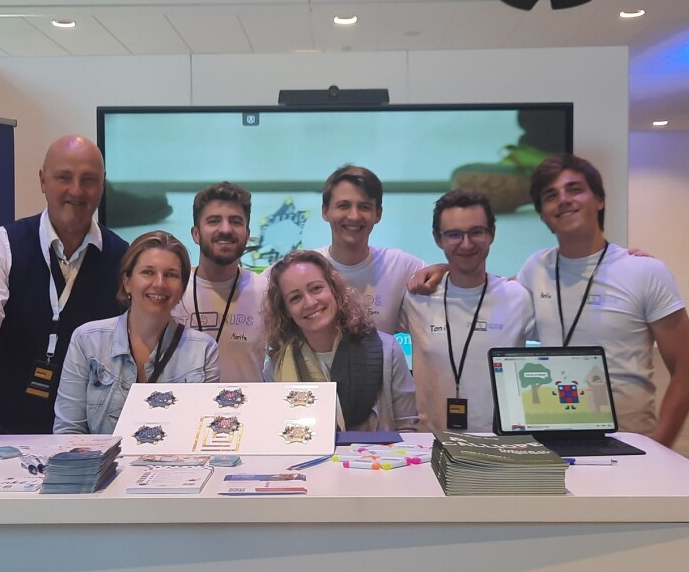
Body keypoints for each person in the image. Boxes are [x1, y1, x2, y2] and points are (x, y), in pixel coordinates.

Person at [0, 135, 129, 442]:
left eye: (89, 180)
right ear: (43, 180)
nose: (76, 190)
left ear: (102, 184)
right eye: (63, 177)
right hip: (0, 433)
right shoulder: (1, 244)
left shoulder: (124, 257)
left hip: (89, 438)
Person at [517, 154, 689, 445]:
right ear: (542, 214)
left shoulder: (645, 271)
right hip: (550, 437)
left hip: (627, 442)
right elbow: (487, 293)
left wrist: (659, 448)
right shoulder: (534, 269)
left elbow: (687, 372)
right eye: (551, 195)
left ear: (599, 200)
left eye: (574, 189)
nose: (563, 199)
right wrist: (443, 270)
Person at [54, 231, 220, 435]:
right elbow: (68, 431)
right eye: (148, 272)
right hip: (99, 466)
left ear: (182, 288)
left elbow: (205, 433)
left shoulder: (204, 350)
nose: (159, 283)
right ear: (127, 281)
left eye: (171, 275)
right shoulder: (87, 341)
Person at [399, 190, 534, 433]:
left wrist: (622, 259)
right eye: (454, 234)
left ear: (491, 233)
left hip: (501, 444)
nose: (466, 243)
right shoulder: (417, 298)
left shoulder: (518, 297)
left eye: (476, 232)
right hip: (430, 444)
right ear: (438, 239)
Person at [263, 250, 417, 431]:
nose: (311, 302)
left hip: (378, 459)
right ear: (286, 310)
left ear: (334, 289)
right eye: (295, 298)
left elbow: (407, 430)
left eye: (316, 288)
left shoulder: (388, 351)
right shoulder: (275, 366)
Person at [171, 182, 268, 382]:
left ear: (247, 234)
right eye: (214, 221)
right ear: (195, 234)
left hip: (250, 410)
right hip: (183, 410)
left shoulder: (266, 291)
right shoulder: (171, 291)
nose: (225, 229)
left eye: (235, 221)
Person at [316, 165, 425, 335]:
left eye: (364, 207)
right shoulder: (303, 268)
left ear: (378, 214)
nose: (354, 216)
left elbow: (453, 285)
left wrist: (441, 269)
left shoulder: (400, 266)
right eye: (343, 206)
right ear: (325, 211)